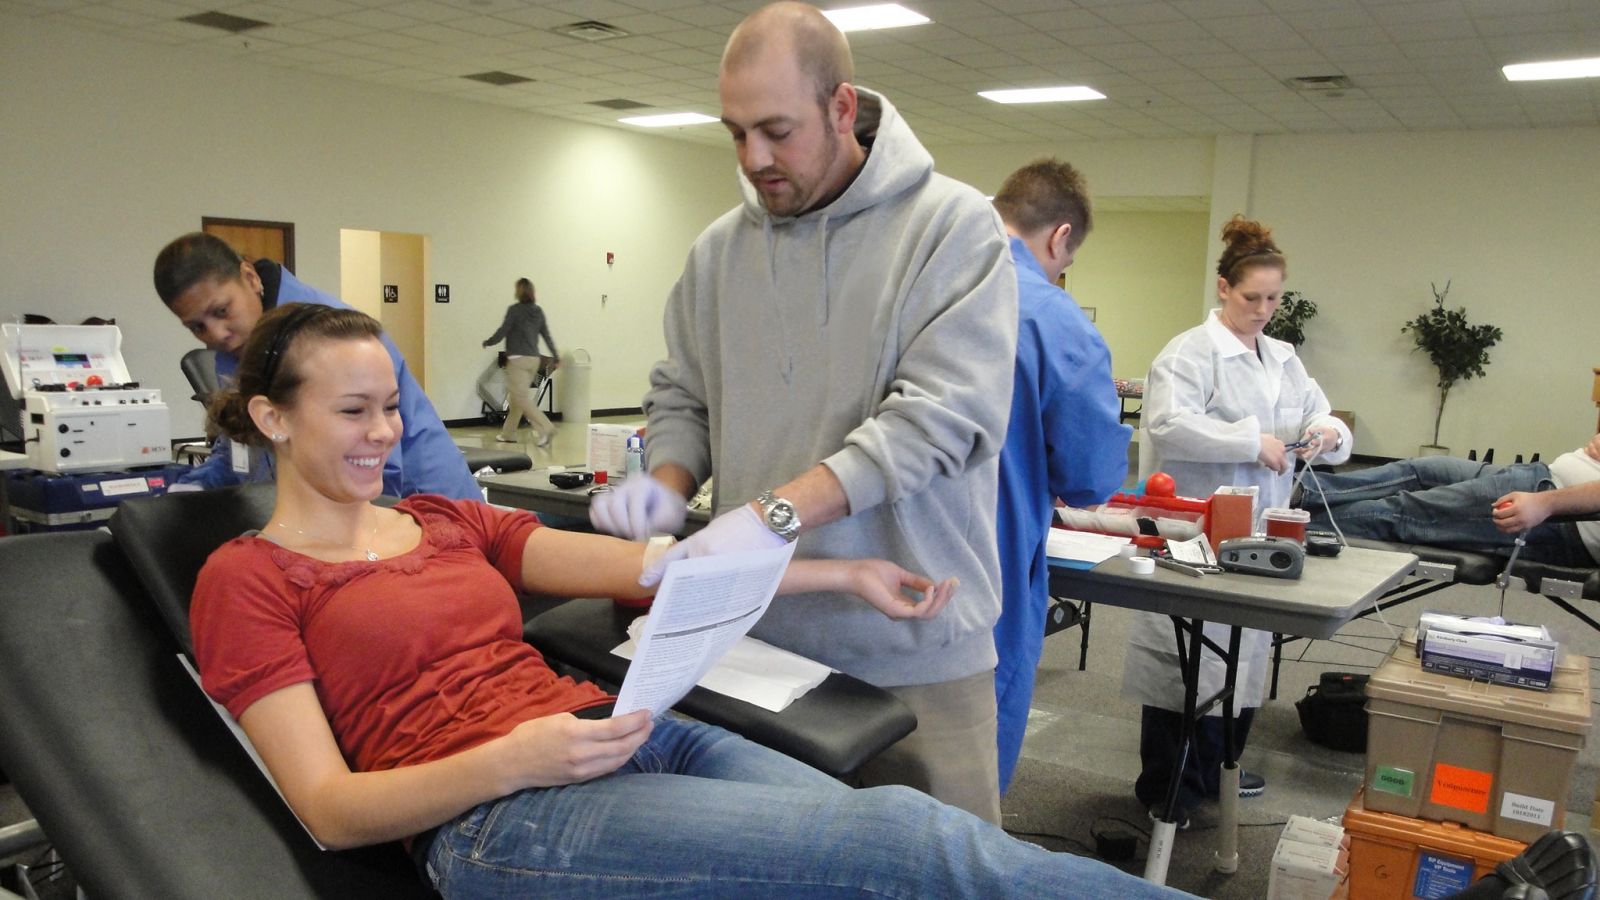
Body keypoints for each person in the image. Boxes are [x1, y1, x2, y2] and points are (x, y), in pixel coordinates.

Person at [188, 302, 1195, 900]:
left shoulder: (447, 519)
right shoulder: (249, 578)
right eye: (351, 411)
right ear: (272, 416)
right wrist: (511, 758)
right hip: (502, 816)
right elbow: (328, 810)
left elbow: (650, 569)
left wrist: (838, 571)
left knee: (896, 829)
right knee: (910, 848)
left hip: (623, 732)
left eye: (392, 408)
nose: (383, 432)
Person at [587, 1, 1018, 823]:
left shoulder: (952, 228)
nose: (753, 158)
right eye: (735, 132)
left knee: (937, 873)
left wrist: (771, 516)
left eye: (777, 131)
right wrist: (666, 488)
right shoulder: (719, 252)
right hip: (754, 643)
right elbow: (684, 395)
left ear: (843, 107)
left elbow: (939, 419)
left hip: (911, 649)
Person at [1121, 215, 1353, 827]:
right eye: (1252, 297)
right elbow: (1167, 425)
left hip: (1262, 527)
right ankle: (1167, 787)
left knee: (1245, 650)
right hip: (1194, 531)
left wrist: (1326, 433)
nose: (1264, 310)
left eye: (1274, 299)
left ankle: (1221, 765)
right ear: (1223, 288)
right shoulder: (1189, 353)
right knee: (1188, 660)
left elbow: (1326, 420)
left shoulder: (1283, 356)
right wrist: (1252, 443)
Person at [989, 159, 1130, 793]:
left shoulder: (905, 287)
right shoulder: (1053, 319)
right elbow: (1091, 477)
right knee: (960, 797)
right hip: (984, 579)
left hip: (858, 571)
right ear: (1058, 237)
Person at [153, 232, 479, 500]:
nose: (217, 335)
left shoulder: (334, 336)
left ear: (250, 277)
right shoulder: (242, 350)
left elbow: (374, 466)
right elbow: (239, 450)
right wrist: (194, 487)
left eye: (222, 311)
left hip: (421, 503)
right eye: (197, 327)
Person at [1297, 433, 1600, 566]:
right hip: (1541, 477)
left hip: (1560, 517)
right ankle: (1297, 491)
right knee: (1417, 470)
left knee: (1402, 512)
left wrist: (1545, 503)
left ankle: (1283, 526)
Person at [482, 277, 559, 448]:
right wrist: (556, 356)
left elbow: (503, 331)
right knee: (515, 398)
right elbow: (547, 335)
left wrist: (489, 342)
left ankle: (546, 428)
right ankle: (508, 433)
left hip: (518, 361)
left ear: (519, 292)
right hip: (534, 360)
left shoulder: (514, 310)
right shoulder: (538, 311)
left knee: (520, 398)